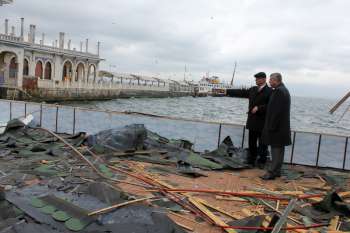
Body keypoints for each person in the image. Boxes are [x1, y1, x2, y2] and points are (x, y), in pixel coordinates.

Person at [227, 72, 272, 168]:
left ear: (263, 79)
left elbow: (271, 106)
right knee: (252, 142)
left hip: (262, 122)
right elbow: (242, 92)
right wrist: (227, 91)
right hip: (252, 121)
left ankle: (262, 161)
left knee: (262, 143)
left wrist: (259, 108)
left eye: (257, 79)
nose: (256, 80)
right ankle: (251, 160)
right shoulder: (253, 89)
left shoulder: (270, 91)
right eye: (255, 79)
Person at [260, 73, 291, 180]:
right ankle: (277, 170)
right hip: (282, 127)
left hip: (276, 128)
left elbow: (276, 112)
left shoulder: (278, 91)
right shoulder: (284, 90)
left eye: (270, 80)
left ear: (275, 80)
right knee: (279, 150)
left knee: (276, 150)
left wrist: (271, 126)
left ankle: (271, 172)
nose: (269, 82)